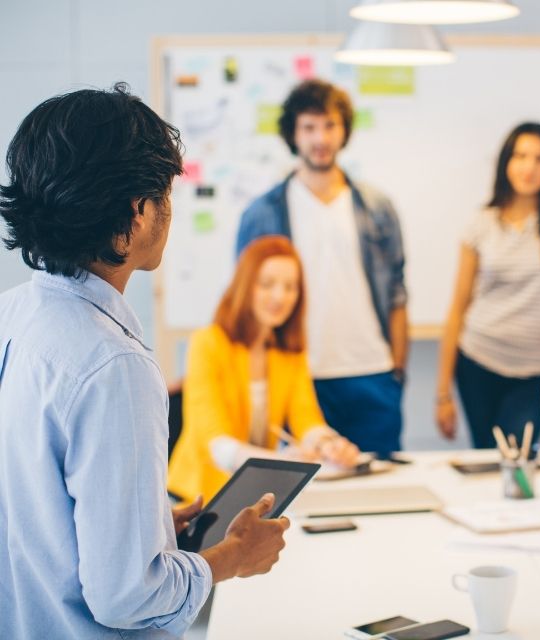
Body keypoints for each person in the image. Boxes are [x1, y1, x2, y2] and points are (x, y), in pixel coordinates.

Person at [0, 84, 289, 639]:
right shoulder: (114, 365)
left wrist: (149, 524)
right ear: (137, 211)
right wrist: (234, 556)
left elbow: (34, 508)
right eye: (165, 193)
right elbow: (126, 595)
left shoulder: (15, 317)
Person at [236, 79, 407, 456]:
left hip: (372, 371)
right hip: (297, 374)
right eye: (309, 127)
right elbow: (246, 299)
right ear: (293, 134)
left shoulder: (378, 207)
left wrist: (397, 368)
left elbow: (397, 292)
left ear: (344, 129)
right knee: (301, 496)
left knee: (380, 492)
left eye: (330, 125)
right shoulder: (263, 213)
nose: (320, 138)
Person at [435, 122, 540, 449]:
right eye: (521, 156)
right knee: (486, 457)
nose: (530, 167)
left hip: (537, 369)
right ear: (506, 161)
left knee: (516, 455)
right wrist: (442, 394)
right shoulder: (481, 223)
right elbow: (458, 308)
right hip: (478, 360)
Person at [169, 235, 360, 502]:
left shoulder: (289, 352)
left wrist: (328, 444)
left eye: (291, 287)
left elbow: (306, 418)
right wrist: (282, 461)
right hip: (199, 497)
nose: (280, 297)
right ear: (246, 285)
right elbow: (216, 444)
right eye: (267, 284)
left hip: (254, 494)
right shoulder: (207, 343)